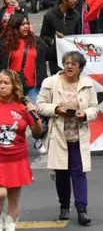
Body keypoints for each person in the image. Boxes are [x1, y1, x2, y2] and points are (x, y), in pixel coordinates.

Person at [37, 51, 99, 225]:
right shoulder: (50, 82)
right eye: (67, 63)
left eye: (74, 64)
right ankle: (64, 206)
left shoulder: (87, 84)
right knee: (61, 172)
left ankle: (82, 210)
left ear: (80, 68)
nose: (69, 66)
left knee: (79, 172)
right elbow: (40, 105)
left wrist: (85, 113)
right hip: (58, 135)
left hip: (78, 136)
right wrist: (57, 109)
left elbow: (94, 108)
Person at [0, 69, 44, 231]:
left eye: (6, 83)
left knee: (13, 197)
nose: (2, 86)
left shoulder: (22, 106)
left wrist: (34, 113)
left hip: (16, 159)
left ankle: (10, 225)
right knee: (1, 193)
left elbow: (38, 130)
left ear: (14, 85)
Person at [40, 0, 82, 76]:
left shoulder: (76, 16)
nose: (76, 1)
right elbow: (43, 36)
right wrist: (55, 40)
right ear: (64, 0)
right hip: (55, 58)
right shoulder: (49, 16)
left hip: (72, 58)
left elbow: (79, 36)